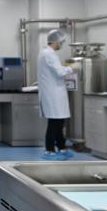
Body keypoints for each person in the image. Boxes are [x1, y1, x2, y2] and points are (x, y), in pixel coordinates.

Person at [38, 28, 75, 160]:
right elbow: (59, 72)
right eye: (61, 42)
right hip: (53, 94)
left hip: (54, 93)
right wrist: (72, 68)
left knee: (59, 122)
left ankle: (62, 147)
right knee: (55, 123)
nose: (61, 45)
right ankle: (49, 150)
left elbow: (56, 70)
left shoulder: (45, 53)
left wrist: (67, 68)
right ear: (56, 42)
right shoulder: (50, 54)